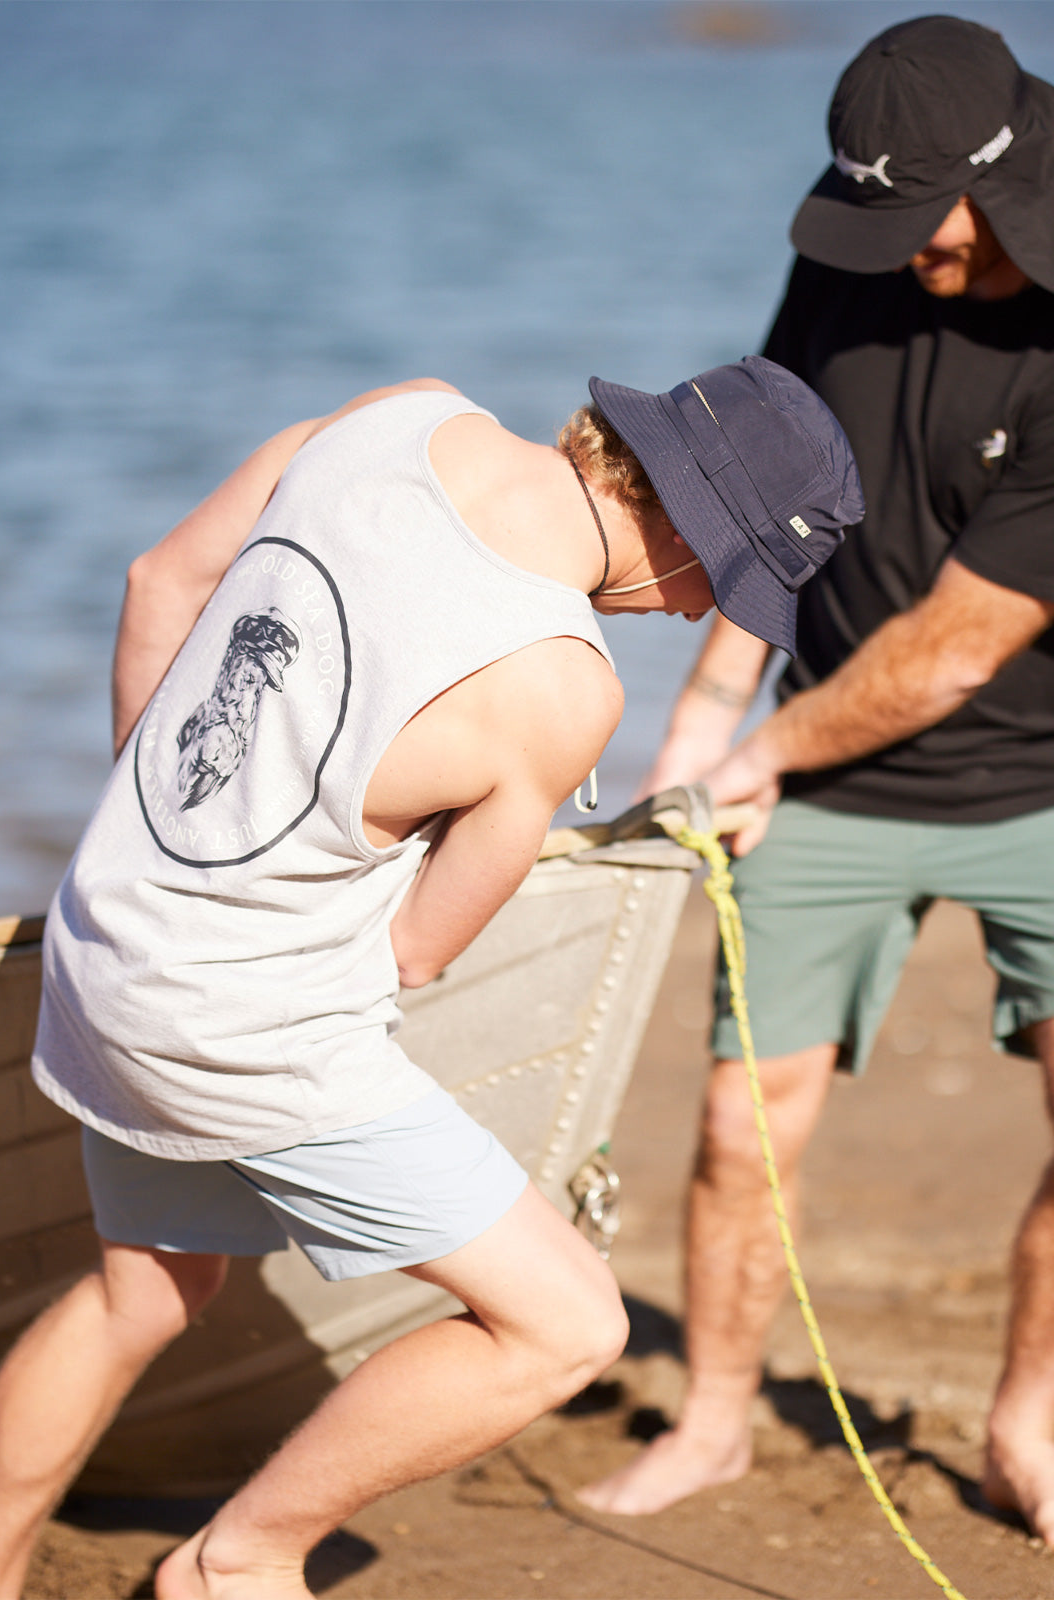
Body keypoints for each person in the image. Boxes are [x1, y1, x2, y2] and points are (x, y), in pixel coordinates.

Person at [0, 361, 860, 1600]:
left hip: (110, 934)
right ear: (676, 515)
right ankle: (236, 1558)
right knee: (569, 1322)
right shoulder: (562, 681)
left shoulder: (402, 414)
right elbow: (419, 949)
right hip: (244, 1022)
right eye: (724, 584)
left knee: (140, 1290)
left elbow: (159, 584)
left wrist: (171, 838)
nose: (701, 618)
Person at [578, 15, 1054, 1545]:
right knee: (735, 1134)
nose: (900, 248)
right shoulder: (861, 239)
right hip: (821, 780)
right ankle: (716, 1424)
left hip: (1037, 779)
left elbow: (959, 652)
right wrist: (705, 710)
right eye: (879, 214)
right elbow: (776, 509)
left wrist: (757, 750)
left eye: (928, 221)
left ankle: (1029, 1423)